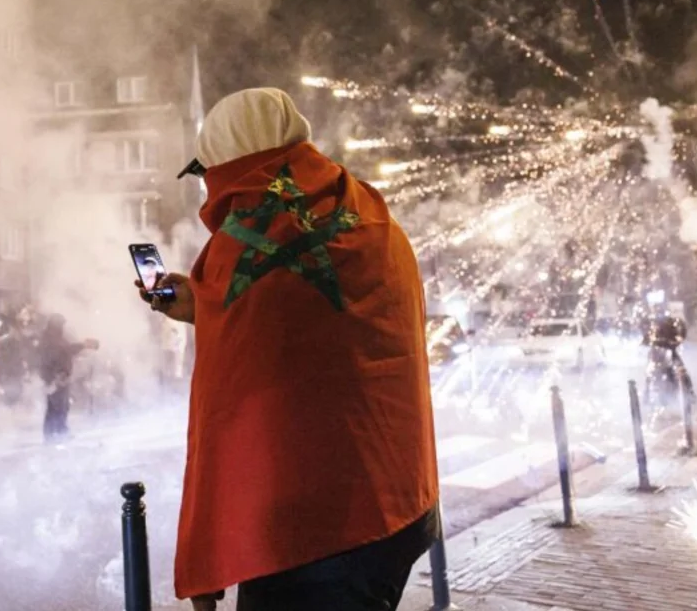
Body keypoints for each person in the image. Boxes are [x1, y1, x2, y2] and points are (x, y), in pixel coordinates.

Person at [143, 88, 439, 611]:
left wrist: (205, 562)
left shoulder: (247, 242)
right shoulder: (365, 208)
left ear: (229, 162)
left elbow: (224, 408)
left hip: (316, 536)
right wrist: (208, 305)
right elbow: (318, 325)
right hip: (401, 504)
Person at [37, 315, 98, 442]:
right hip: (56, 377)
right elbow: (61, 352)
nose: (63, 327)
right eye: (61, 324)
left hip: (58, 376)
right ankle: (58, 431)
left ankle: (53, 432)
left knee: (57, 406)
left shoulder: (54, 338)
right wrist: (54, 376)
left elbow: (66, 350)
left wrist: (83, 345)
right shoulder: (51, 339)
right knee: (59, 405)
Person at [643, 310, 693, 400]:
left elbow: (680, 334)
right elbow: (646, 339)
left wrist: (678, 340)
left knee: (682, 370)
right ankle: (646, 394)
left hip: (671, 353)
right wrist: (648, 342)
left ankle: (690, 392)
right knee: (649, 373)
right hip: (656, 355)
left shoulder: (673, 326)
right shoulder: (652, 329)